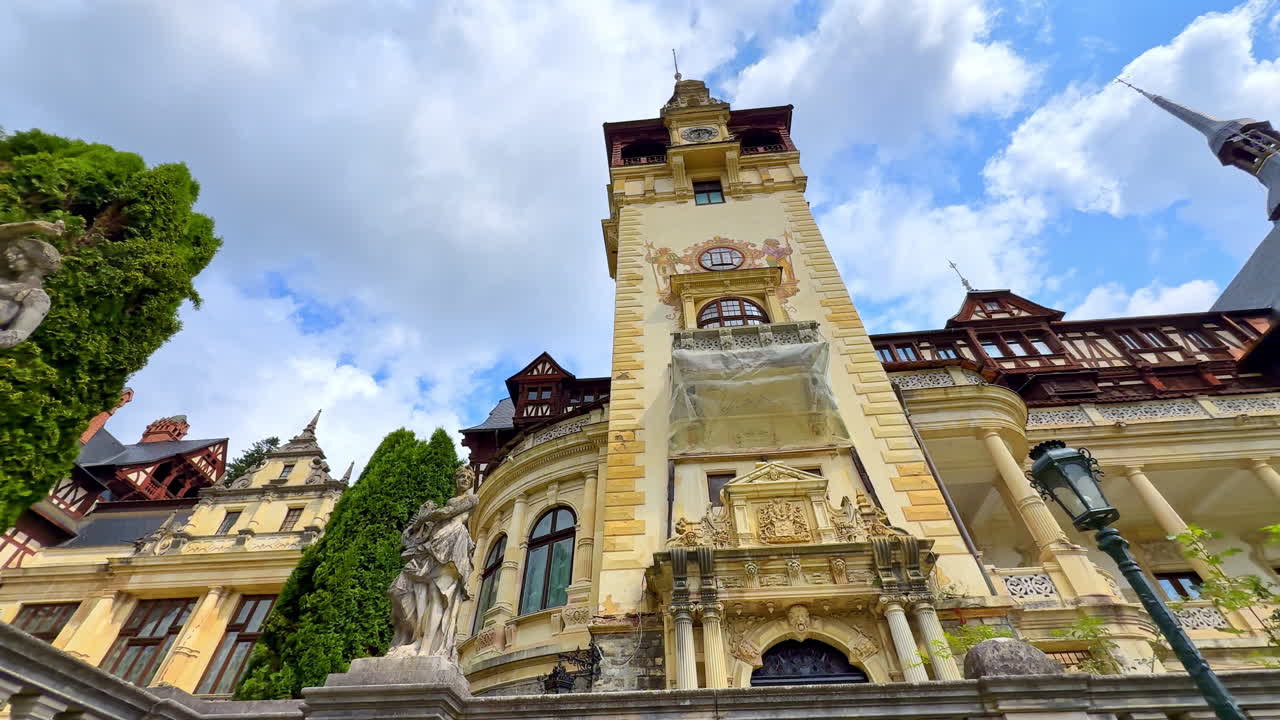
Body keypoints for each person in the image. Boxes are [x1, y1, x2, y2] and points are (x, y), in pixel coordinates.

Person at [386, 465, 479, 660]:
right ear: (455, 479)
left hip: (453, 541)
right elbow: (440, 516)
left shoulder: (472, 498)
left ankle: (426, 648)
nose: (463, 479)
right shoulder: (452, 500)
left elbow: (446, 513)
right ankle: (414, 638)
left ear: (471, 482)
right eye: (460, 476)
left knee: (439, 595)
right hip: (435, 541)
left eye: (467, 478)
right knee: (406, 589)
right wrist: (422, 524)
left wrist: (424, 518)